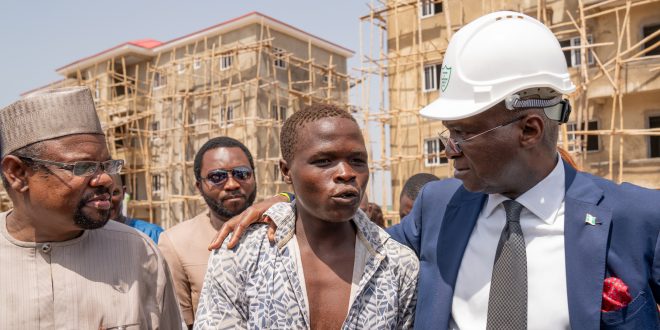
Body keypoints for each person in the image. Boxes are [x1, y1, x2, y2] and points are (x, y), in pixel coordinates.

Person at [208, 11, 660, 329]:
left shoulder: (638, 219)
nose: (450, 151)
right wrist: (286, 202)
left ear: (529, 128)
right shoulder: (438, 208)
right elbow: (346, 236)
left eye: (463, 134)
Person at [195, 104, 419, 329]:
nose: (346, 173)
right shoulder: (240, 254)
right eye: (324, 161)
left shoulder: (398, 265)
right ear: (286, 171)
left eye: (357, 161)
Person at [0, 87, 182, 328]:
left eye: (107, 165)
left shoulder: (139, 252)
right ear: (18, 174)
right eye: (83, 167)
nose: (106, 180)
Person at [158, 136, 258, 328]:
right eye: (217, 177)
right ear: (199, 186)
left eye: (242, 173)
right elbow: (180, 323)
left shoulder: (280, 229)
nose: (232, 184)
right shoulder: (176, 243)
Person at [110, 174, 164, 243]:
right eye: (101, 193)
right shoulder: (92, 238)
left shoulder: (151, 234)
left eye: (114, 193)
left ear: (123, 193)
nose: (107, 201)